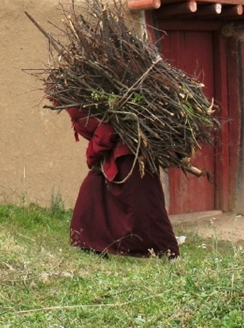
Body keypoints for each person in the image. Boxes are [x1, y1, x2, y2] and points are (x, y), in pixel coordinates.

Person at [65, 106, 179, 258]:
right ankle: (89, 243)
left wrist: (92, 154)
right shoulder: (79, 102)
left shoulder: (88, 105)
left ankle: (167, 250)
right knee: (92, 192)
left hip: (129, 155)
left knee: (144, 205)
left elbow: (108, 127)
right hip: (111, 153)